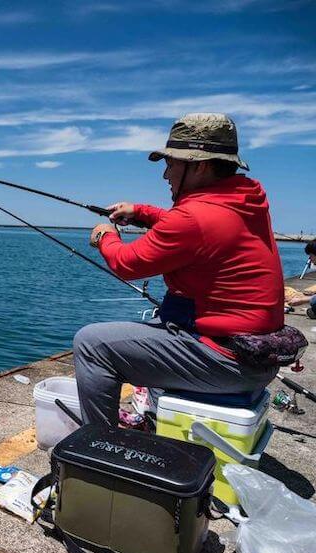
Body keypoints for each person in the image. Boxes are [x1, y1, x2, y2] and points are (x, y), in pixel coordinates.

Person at [74, 113, 284, 426]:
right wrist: (141, 213)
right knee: (162, 319)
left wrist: (105, 236)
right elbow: (194, 225)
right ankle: (158, 420)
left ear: (199, 165)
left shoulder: (193, 218)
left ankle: (98, 447)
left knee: (91, 344)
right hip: (255, 354)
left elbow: (126, 263)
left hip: (227, 361)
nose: (166, 175)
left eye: (171, 164)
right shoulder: (246, 198)